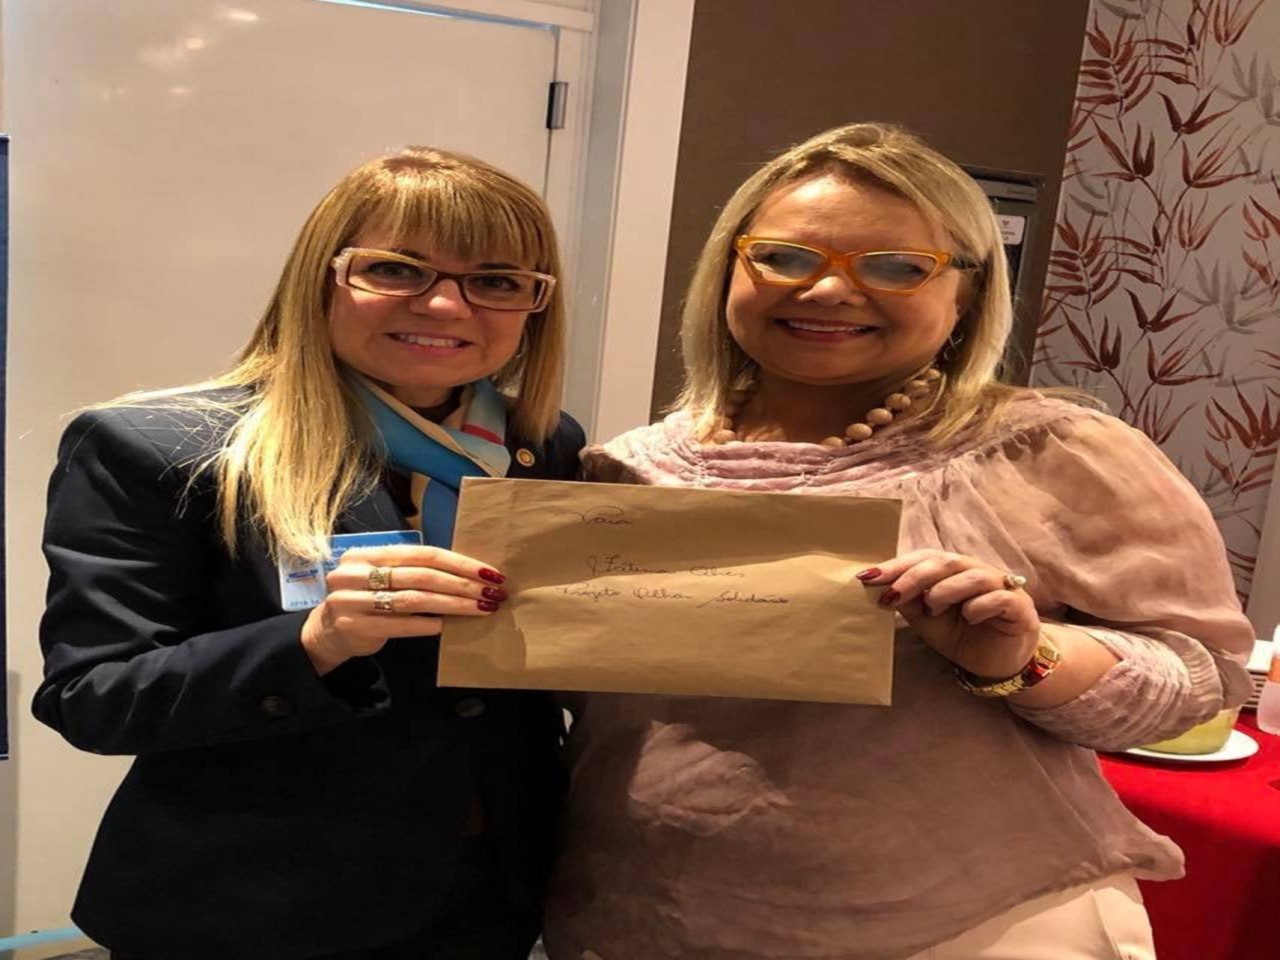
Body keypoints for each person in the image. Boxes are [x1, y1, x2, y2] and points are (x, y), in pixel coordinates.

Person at [542, 123, 1254, 960]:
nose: (827, 290)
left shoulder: (1053, 452)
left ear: (965, 296)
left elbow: (1200, 678)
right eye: (784, 257)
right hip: (642, 912)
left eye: (894, 267)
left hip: (974, 925)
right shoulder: (623, 469)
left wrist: (1025, 657)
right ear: (729, 268)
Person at [34, 147, 584, 960]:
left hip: (482, 897)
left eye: (496, 281)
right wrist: (315, 641)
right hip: (251, 905)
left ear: (535, 304)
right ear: (321, 276)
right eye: (396, 269)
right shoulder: (159, 449)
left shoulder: (542, 446)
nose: (444, 304)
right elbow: (93, 698)